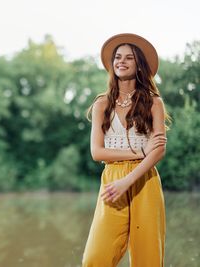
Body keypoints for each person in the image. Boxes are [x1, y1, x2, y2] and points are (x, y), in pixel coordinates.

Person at [81, 33, 170, 267]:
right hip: (112, 180)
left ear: (139, 64)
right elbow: (97, 152)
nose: (121, 61)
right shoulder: (102, 103)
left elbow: (158, 150)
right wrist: (141, 152)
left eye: (129, 58)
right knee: (95, 258)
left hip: (144, 180)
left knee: (147, 259)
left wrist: (129, 179)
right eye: (118, 57)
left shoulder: (154, 103)